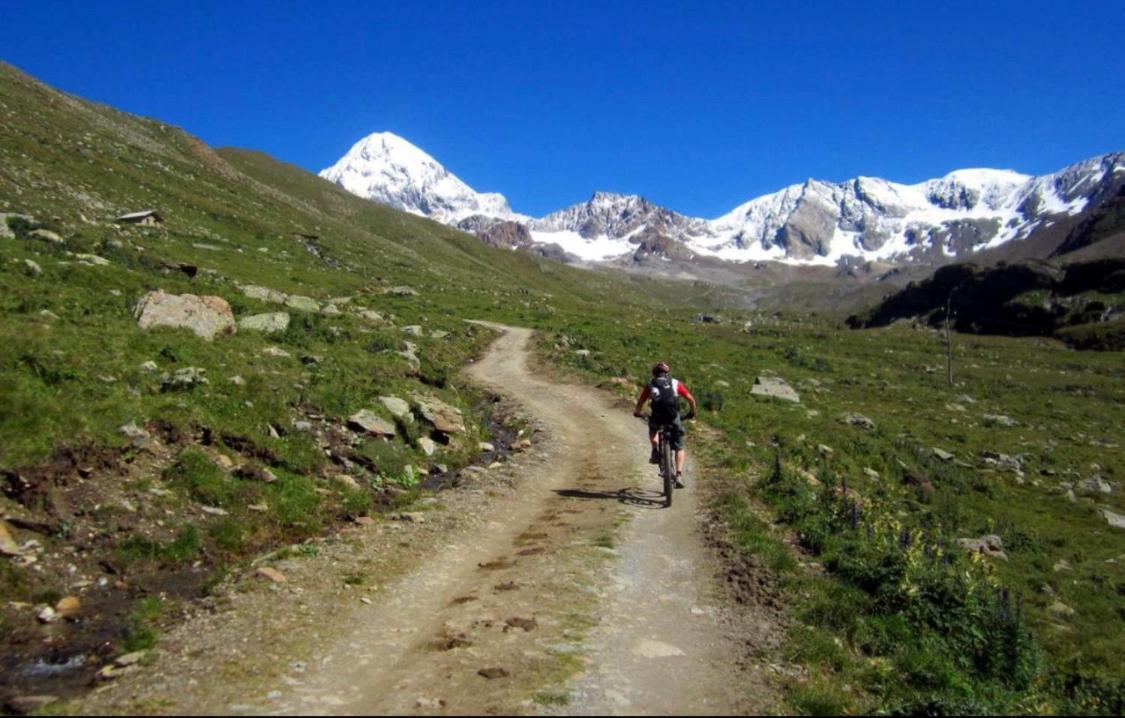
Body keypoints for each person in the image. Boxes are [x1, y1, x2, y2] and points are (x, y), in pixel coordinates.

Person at [633, 362, 697, 488]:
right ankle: (678, 474)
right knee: (679, 446)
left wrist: (637, 412)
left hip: (657, 416)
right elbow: (690, 399)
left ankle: (655, 450)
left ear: (654, 374)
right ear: (667, 373)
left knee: (653, 429)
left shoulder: (650, 384)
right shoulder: (675, 383)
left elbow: (641, 401)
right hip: (673, 416)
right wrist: (692, 413)